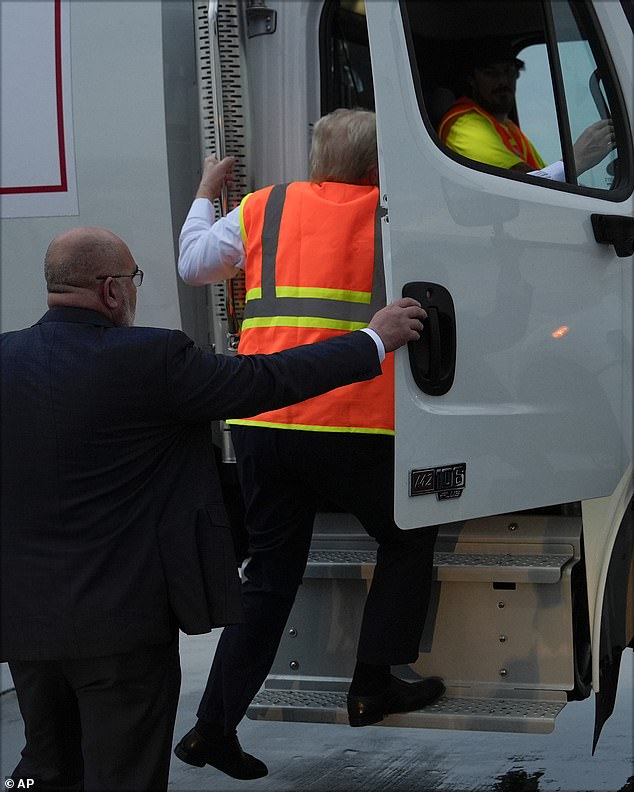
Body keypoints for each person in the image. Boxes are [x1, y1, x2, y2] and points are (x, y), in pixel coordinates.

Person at [0, 225, 426, 791]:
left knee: (43, 770)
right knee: (122, 775)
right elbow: (265, 380)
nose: (134, 292)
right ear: (109, 291)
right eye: (133, 280)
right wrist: (373, 340)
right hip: (122, 629)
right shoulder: (152, 358)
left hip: (26, 625)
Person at [175, 108, 445, 781]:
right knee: (408, 534)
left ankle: (212, 728)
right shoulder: (390, 210)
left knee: (268, 578)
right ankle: (372, 681)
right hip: (349, 422)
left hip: (263, 424)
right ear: (380, 164)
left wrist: (209, 190)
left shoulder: (266, 205)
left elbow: (192, 266)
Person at [438, 39, 616, 180]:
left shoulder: (506, 125)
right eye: (491, 73)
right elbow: (524, 185)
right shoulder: (462, 126)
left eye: (508, 71)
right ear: (471, 79)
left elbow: (541, 175)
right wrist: (575, 161)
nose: (502, 81)